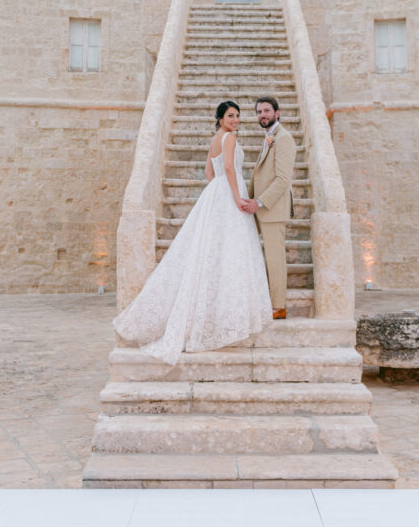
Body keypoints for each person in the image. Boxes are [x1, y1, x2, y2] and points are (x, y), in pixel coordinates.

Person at [113, 100, 272, 365]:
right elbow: (230, 168)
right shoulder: (230, 137)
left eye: (238, 116)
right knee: (230, 251)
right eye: (231, 116)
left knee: (211, 250)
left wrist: (219, 189)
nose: (235, 120)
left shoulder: (215, 139)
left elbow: (210, 172)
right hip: (230, 194)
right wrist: (235, 196)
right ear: (221, 118)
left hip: (215, 194)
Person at [242, 96, 297, 320]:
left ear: (277, 112)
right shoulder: (269, 137)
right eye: (259, 111)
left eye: (266, 111)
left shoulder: (283, 139)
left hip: (271, 209)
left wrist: (259, 202)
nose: (262, 115)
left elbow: (283, 180)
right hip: (261, 209)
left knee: (275, 259)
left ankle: (278, 306)